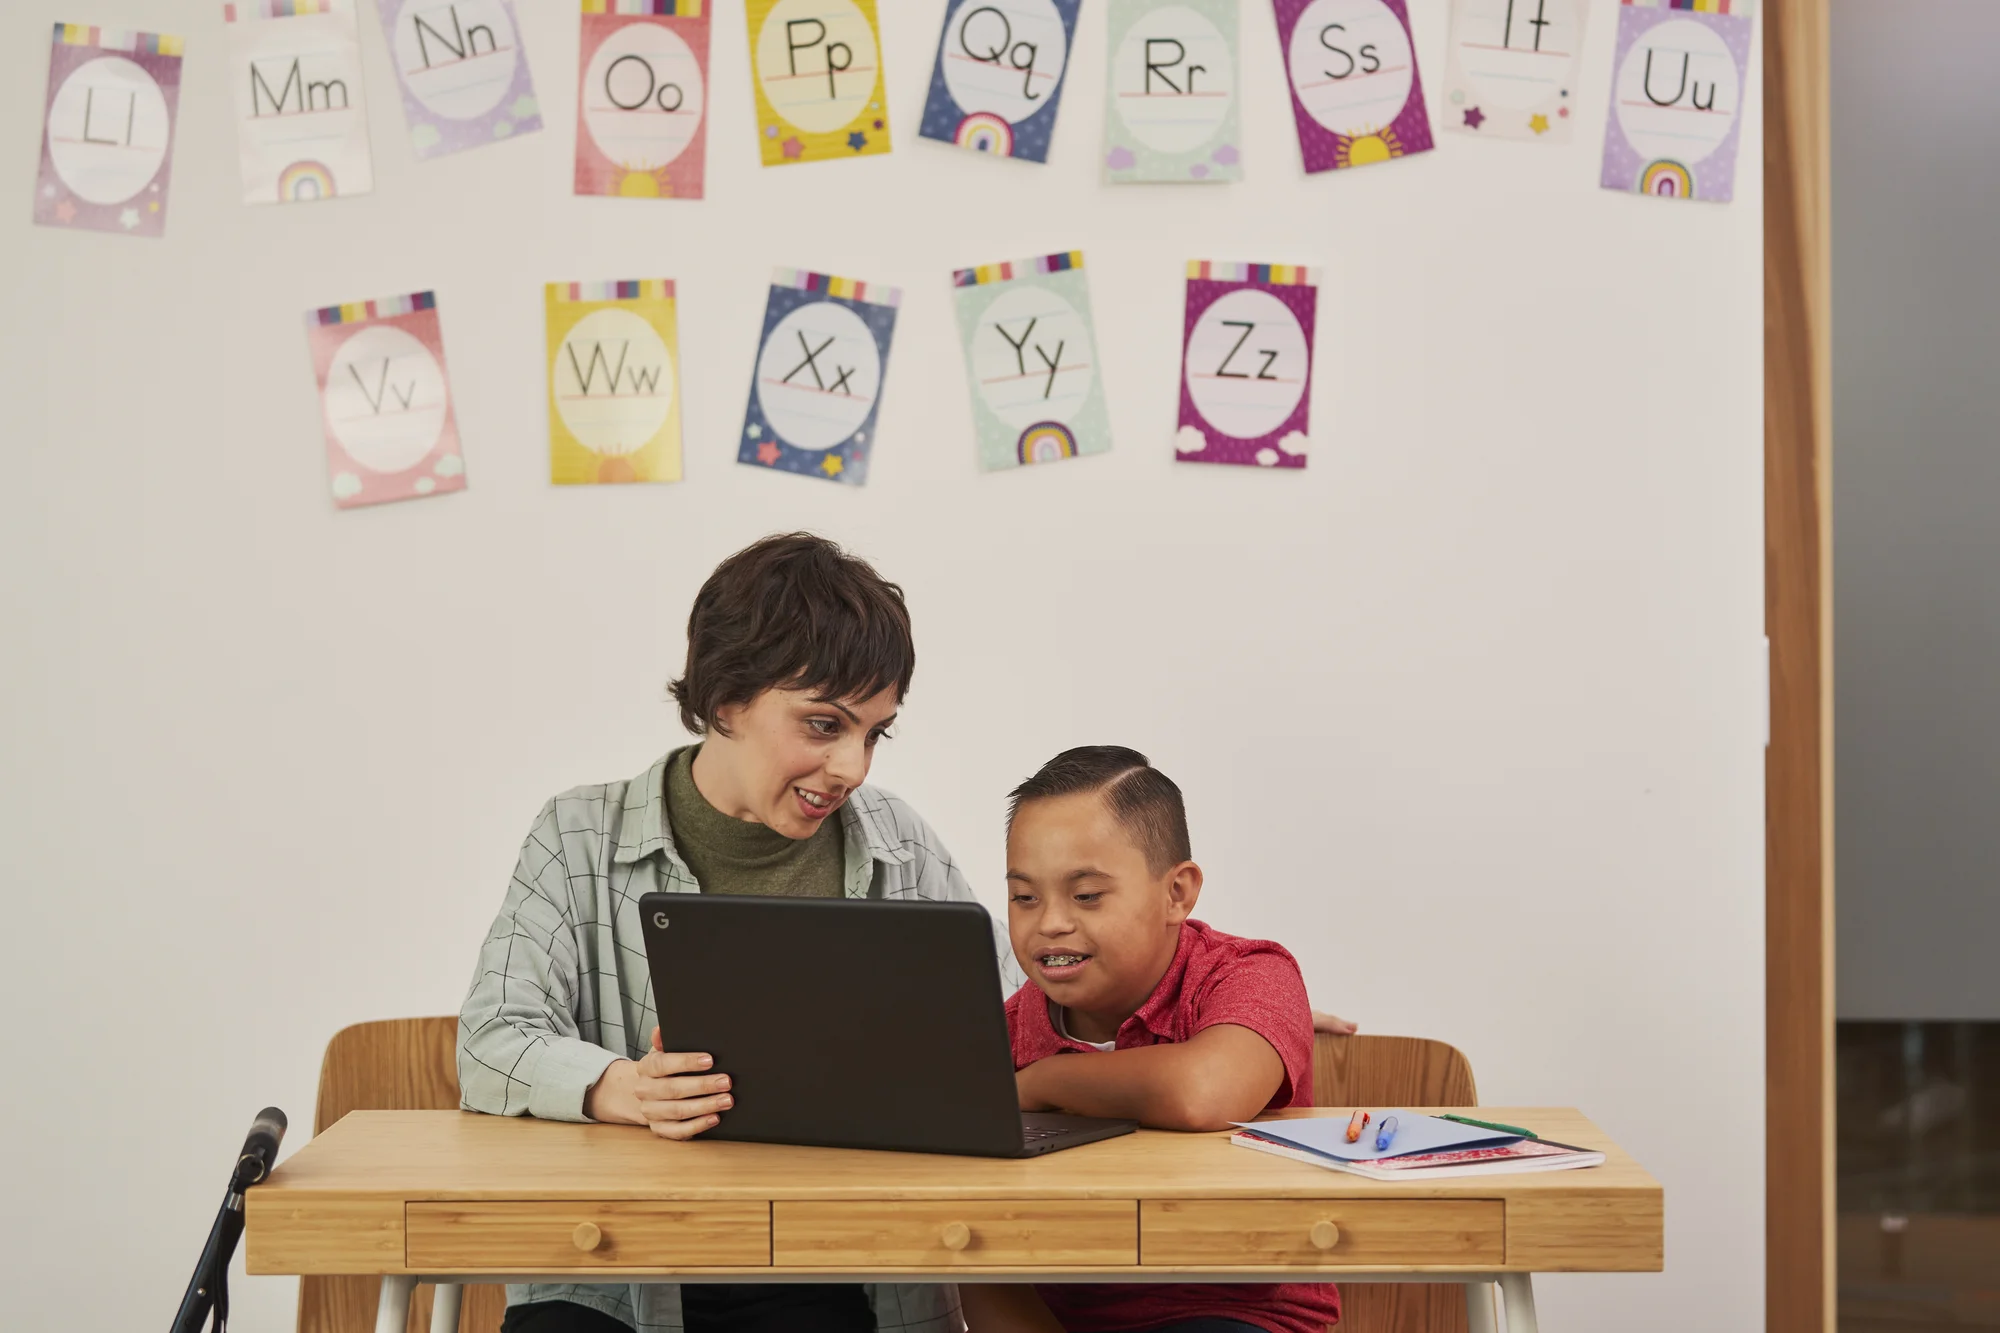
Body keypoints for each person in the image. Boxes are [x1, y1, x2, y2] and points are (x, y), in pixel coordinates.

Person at [457, 533, 1356, 1333]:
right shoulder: (577, 835)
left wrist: (1239, 1007)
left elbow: (1014, 1008)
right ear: (724, 695)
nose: (851, 766)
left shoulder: (893, 843)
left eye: (875, 733)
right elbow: (491, 1039)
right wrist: (619, 1086)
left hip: (833, 1270)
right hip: (620, 1275)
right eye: (823, 724)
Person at [961, 747, 1342, 1333]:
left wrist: (1038, 1084)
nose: (1050, 922)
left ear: (1178, 893)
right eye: (1024, 897)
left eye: (1086, 895)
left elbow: (1204, 1093)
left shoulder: (1250, 975)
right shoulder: (1007, 1029)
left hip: (1238, 1315)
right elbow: (975, 1249)